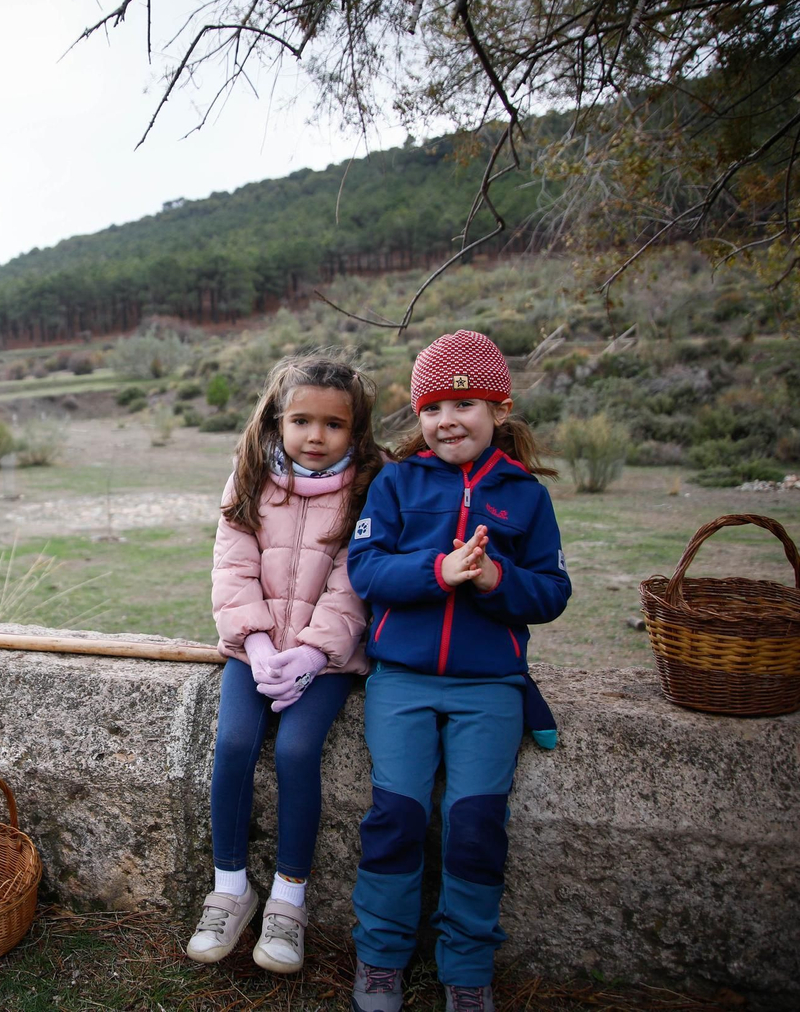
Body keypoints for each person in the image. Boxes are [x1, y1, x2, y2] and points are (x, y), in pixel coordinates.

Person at [346, 329, 570, 1012]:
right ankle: (380, 959)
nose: (447, 420)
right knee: (396, 816)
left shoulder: (526, 496)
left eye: (464, 404)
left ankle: (467, 970)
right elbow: (365, 570)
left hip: (490, 689)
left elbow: (551, 592)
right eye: (432, 408)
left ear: (500, 409)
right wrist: (438, 571)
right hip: (401, 683)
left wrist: (497, 579)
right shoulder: (395, 482)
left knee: (475, 825)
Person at [188, 354, 386, 974]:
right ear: (277, 420)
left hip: (324, 659)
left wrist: (312, 652)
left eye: (334, 424)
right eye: (301, 420)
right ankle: (230, 890)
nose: (315, 436)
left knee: (298, 752)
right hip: (255, 651)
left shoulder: (369, 488)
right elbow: (233, 567)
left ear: (355, 430)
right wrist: (256, 645)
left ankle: (288, 901)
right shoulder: (249, 478)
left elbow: (355, 581)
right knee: (233, 744)